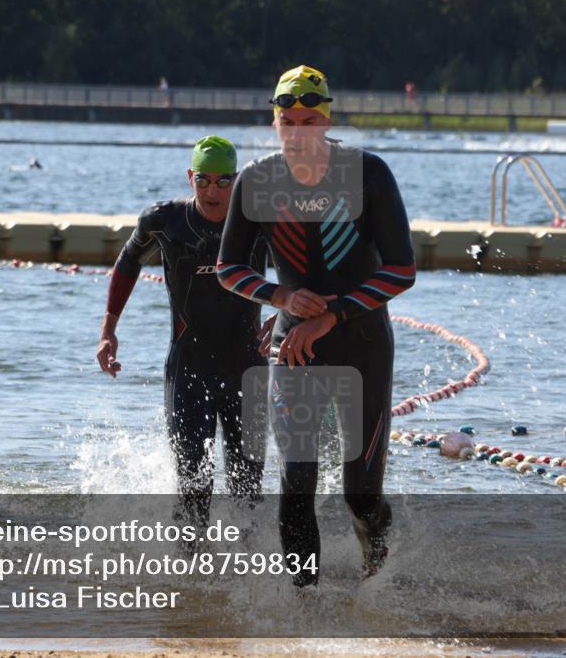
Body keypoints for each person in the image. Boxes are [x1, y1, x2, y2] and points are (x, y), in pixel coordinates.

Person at [217, 65, 416, 585]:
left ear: (326, 121)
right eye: (288, 119)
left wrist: (333, 314)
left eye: (309, 120)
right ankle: (301, 605)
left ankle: (378, 563)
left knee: (360, 493)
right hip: (295, 347)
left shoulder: (368, 173)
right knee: (296, 479)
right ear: (275, 120)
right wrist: (280, 295)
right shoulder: (256, 181)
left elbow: (402, 269)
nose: (297, 131)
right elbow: (229, 268)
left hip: (363, 342)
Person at [96, 136, 268, 531]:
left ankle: (249, 581)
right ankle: (190, 587)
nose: (213, 191)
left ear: (237, 181)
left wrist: (286, 315)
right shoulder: (165, 221)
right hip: (189, 369)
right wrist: (108, 330)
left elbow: (303, 264)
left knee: (248, 492)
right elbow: (128, 261)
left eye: (224, 182)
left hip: (248, 369)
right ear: (191, 177)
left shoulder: (258, 220)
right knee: (193, 488)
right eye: (204, 180)